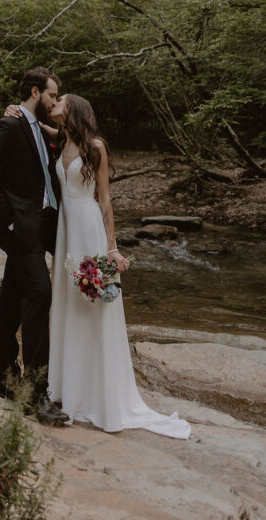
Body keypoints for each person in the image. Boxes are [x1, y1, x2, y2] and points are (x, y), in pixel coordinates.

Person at [42, 92, 191, 436]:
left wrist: (111, 249)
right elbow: (38, 126)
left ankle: (101, 394)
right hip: (66, 230)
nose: (55, 103)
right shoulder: (61, 139)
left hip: (89, 227)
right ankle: (69, 389)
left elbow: (105, 199)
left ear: (76, 108)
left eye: (60, 99)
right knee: (67, 301)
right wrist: (20, 113)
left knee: (93, 304)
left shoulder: (96, 147)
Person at [0, 66, 69, 425]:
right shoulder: (10, 127)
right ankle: (35, 392)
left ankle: (6, 379)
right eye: (51, 95)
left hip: (45, 226)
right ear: (34, 91)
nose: (55, 101)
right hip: (22, 229)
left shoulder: (37, 129)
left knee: (12, 300)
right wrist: (8, 219)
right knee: (40, 292)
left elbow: (71, 139)